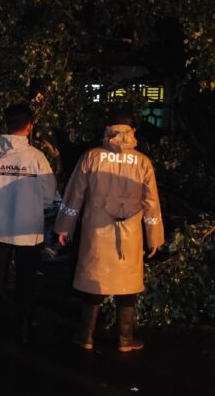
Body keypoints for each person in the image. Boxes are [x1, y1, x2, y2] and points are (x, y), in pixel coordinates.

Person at [54, 111, 164, 352]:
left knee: (93, 282)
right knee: (128, 285)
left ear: (107, 130)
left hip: (96, 231)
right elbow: (151, 203)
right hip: (130, 234)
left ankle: (86, 337)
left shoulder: (91, 157)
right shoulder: (143, 162)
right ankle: (125, 339)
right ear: (132, 131)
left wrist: (64, 227)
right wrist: (154, 237)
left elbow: (74, 195)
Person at [0, 103, 57, 344]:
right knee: (26, 279)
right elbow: (49, 195)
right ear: (29, 126)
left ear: (7, 124)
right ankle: (24, 328)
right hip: (28, 229)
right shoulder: (36, 157)